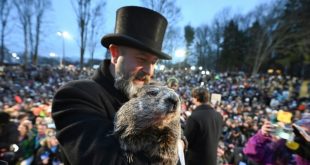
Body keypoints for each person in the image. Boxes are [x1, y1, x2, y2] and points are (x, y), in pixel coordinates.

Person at [52, 6, 173, 164]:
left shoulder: (151, 95)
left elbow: (176, 132)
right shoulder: (75, 95)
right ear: (115, 54)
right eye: (142, 59)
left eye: (153, 62)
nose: (149, 71)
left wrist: (180, 141)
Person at [243, 114, 310, 165]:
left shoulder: (303, 154)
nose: (300, 135)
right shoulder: (274, 147)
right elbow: (251, 153)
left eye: (305, 133)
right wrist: (261, 136)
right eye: (297, 131)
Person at [184, 87, 223, 165]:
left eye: (193, 97)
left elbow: (187, 141)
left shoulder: (194, 117)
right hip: (212, 160)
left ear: (197, 98)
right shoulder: (218, 116)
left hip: (196, 161)